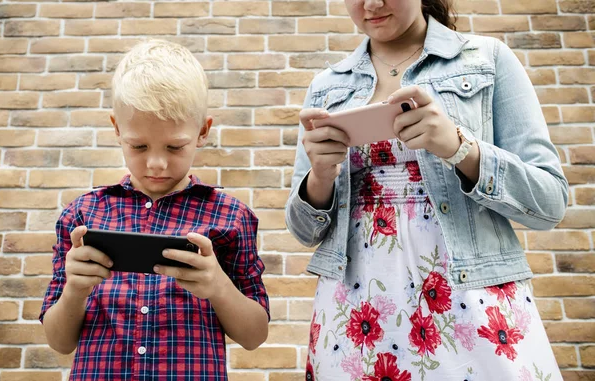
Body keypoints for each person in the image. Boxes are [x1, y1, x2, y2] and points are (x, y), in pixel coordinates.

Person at [285, 0, 568, 380]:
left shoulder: (488, 59)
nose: (371, 4)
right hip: (356, 310)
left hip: (472, 299)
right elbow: (305, 231)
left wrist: (458, 146)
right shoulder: (327, 86)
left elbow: (549, 202)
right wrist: (320, 174)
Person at [40, 39, 269, 380]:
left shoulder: (231, 216)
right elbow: (59, 342)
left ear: (203, 131)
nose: (157, 163)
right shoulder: (82, 215)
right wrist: (75, 288)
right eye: (139, 145)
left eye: (175, 147)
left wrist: (217, 286)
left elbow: (255, 336)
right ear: (117, 129)